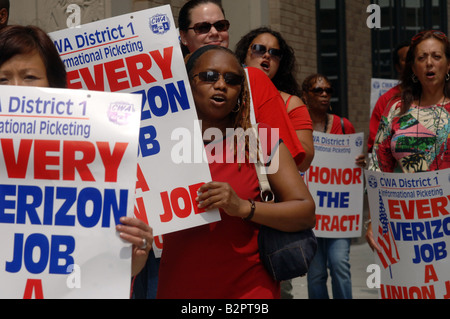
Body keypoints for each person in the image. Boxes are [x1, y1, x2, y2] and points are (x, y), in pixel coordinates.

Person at [156, 45, 316, 299]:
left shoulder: (260, 139)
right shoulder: (160, 143)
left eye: (232, 80)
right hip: (179, 287)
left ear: (241, 92)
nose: (221, 85)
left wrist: (244, 207)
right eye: (209, 76)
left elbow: (305, 211)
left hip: (249, 290)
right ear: (188, 84)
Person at [0, 25, 153, 278]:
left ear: (54, 84)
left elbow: (104, 275)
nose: (16, 88)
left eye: (29, 77)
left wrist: (134, 256)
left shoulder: (95, 159)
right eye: (3, 80)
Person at [178, 0, 306, 167]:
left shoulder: (254, 79)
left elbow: (285, 160)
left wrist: (243, 187)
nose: (214, 32)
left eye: (221, 25)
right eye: (203, 27)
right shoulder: (168, 86)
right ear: (183, 37)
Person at [366, 30, 450, 250]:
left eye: (436, 56)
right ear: (413, 69)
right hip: (406, 224)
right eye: (421, 58)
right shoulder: (395, 109)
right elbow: (378, 167)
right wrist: (374, 218)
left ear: (448, 65)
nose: (429, 63)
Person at [302, 73, 365, 299]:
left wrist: (360, 161)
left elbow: (353, 162)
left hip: (338, 215)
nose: (325, 95)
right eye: (318, 91)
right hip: (310, 215)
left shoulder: (343, 125)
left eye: (328, 90)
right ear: (305, 95)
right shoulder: (299, 126)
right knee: (316, 272)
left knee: (340, 265)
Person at [235, 27, 314, 172]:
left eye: (274, 53)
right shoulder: (228, 93)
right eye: (259, 49)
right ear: (244, 55)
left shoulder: (291, 102)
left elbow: (304, 159)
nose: (266, 55)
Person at [368, 41, 409, 153]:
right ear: (398, 67)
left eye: (416, 58)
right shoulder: (386, 100)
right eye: (406, 59)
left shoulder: (433, 94)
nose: (411, 63)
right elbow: (375, 142)